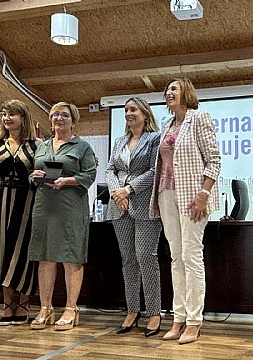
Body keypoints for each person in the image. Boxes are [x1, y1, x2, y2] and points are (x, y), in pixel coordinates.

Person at [149, 78, 221, 344]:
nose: (169, 92)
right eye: (167, 89)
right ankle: (178, 318)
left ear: (186, 93)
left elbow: (214, 159)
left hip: (192, 197)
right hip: (166, 194)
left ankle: (194, 321)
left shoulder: (199, 118)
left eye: (174, 89)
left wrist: (204, 194)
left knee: (191, 257)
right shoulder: (167, 125)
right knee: (176, 257)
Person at [29, 102, 97, 331]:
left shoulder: (82, 146)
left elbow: (90, 174)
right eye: (56, 114)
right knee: (45, 257)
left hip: (70, 206)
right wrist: (34, 175)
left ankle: (71, 308)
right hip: (44, 205)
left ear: (73, 121)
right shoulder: (42, 146)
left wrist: (66, 180)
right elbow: (33, 173)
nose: (59, 118)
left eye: (65, 115)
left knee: (71, 257)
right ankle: (45, 308)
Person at [107, 98, 163, 337]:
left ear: (145, 113)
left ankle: (153, 312)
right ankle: (132, 310)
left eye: (133, 110)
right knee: (128, 259)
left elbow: (155, 171)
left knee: (146, 257)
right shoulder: (120, 141)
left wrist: (128, 189)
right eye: (126, 110)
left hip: (145, 205)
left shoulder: (155, 139)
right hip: (119, 206)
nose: (129, 113)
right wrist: (116, 193)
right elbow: (110, 169)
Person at [0, 100, 40, 326]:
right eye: (4, 114)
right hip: (4, 200)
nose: (7, 118)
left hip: (29, 202)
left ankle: (24, 304)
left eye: (12, 114)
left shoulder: (37, 145)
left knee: (25, 252)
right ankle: (8, 305)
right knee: (2, 251)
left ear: (23, 117)